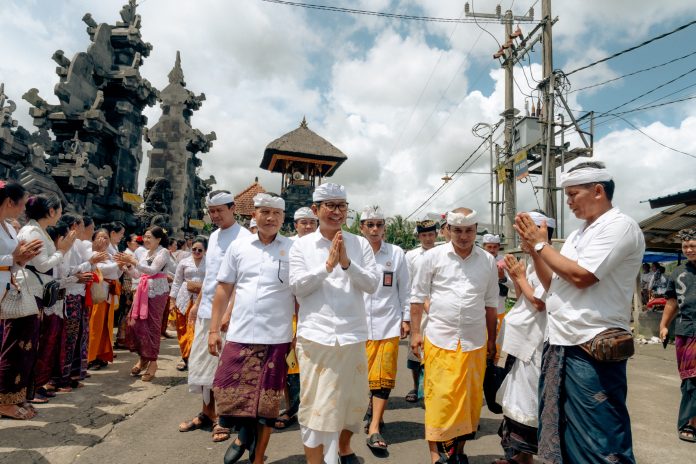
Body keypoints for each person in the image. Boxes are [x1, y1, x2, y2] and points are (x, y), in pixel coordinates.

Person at [515, 161, 644, 463]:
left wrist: (541, 245)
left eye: (573, 194)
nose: (569, 202)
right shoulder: (577, 235)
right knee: (566, 434)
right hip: (562, 343)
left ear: (598, 191)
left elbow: (582, 276)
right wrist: (535, 251)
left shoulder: (619, 226)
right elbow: (553, 284)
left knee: (601, 438)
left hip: (591, 346)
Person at [289, 183, 380, 464]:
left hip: (352, 336)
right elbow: (297, 287)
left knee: (351, 404)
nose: (337, 212)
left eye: (342, 206)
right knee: (315, 406)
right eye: (330, 206)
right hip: (316, 338)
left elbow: (372, 284)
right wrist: (326, 267)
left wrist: (347, 264)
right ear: (316, 210)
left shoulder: (360, 244)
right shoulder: (301, 245)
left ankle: (340, 452)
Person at [209, 193, 295, 464]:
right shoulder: (239, 247)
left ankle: (257, 458)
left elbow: (300, 296)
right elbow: (224, 288)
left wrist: (300, 333)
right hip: (241, 333)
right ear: (254, 215)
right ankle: (244, 434)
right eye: (265, 212)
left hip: (277, 336)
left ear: (283, 217)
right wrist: (213, 329)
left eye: (276, 213)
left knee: (268, 403)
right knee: (227, 388)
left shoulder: (293, 249)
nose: (270, 218)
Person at [410, 208, 498, 464]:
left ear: (476, 229)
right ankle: (435, 456)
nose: (463, 236)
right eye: (457, 230)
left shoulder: (487, 261)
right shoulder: (433, 257)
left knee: (469, 401)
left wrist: (492, 340)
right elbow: (417, 297)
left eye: (469, 230)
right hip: (440, 339)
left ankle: (458, 453)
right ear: (447, 230)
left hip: (474, 342)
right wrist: (415, 332)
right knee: (439, 399)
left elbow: (491, 304)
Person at [178, 190, 250, 443]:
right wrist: (197, 305)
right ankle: (207, 412)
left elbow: (242, 281)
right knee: (202, 363)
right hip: (206, 309)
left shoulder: (245, 238)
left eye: (219, 210)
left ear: (232, 208)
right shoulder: (214, 235)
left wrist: (229, 312)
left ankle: (223, 417)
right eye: (211, 211)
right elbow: (210, 277)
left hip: (230, 313)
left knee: (224, 366)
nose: (215, 215)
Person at [493, 211, 554, 464]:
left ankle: (525, 457)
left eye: (525, 233)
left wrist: (518, 276)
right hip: (523, 342)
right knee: (516, 397)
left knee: (529, 400)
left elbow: (539, 302)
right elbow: (523, 299)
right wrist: (517, 277)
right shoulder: (531, 261)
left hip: (536, 344)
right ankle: (519, 457)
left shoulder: (548, 261)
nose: (520, 239)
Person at [358, 206, 410, 452]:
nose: (375, 229)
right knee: (360, 377)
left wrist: (406, 318)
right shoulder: (354, 252)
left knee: (384, 377)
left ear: (384, 228)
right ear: (361, 228)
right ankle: (366, 409)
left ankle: (375, 427)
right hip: (357, 326)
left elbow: (405, 289)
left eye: (379, 224)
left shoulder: (396, 253)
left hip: (388, 323)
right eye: (370, 225)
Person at [17, 194, 76, 404]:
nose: (60, 215)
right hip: (30, 290)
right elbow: (42, 265)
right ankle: (23, 391)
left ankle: (30, 389)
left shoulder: (39, 231)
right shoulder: (32, 232)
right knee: (27, 343)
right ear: (51, 211)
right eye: (59, 211)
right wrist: (62, 250)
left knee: (33, 342)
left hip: (38, 290)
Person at [0, 181, 43, 420]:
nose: (24, 209)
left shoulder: (8, 227)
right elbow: (9, 257)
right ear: (9, 202)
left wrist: (22, 259)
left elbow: (15, 260)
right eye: (22, 204)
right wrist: (13, 257)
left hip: (7, 288)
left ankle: (8, 399)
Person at [274, 205, 318, 430]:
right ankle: (292, 408)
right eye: (304, 223)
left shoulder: (322, 246)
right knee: (291, 363)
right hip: (289, 313)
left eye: (312, 222)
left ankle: (312, 407)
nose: (308, 226)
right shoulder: (287, 246)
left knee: (315, 363)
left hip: (316, 313)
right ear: (295, 225)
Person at [115, 226, 171, 382]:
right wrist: (126, 266)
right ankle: (143, 357)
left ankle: (152, 362)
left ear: (158, 239)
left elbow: (152, 271)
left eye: (149, 237)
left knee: (152, 327)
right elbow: (138, 274)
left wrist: (133, 261)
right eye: (145, 236)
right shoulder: (145, 253)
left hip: (157, 293)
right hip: (142, 291)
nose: (146, 240)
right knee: (136, 325)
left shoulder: (163, 252)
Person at [660, 228, 696, 442]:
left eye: (693, 246)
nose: (689, 250)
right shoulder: (678, 273)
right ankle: (689, 423)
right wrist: (664, 325)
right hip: (686, 331)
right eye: (685, 247)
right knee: (691, 379)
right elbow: (672, 302)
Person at [403, 219, 438, 403]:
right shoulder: (411, 256)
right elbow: (407, 286)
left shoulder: (443, 253)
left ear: (436, 235)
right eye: (424, 235)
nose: (428, 238)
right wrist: (406, 318)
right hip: (418, 309)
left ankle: (431, 390)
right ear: (419, 236)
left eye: (431, 234)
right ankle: (416, 387)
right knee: (416, 352)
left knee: (436, 351)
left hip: (438, 308)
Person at [169, 237, 207, 371]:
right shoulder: (184, 262)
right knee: (182, 329)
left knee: (195, 329)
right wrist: (172, 300)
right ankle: (185, 356)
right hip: (184, 298)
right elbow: (177, 281)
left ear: (205, 250)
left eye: (200, 250)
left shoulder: (210, 263)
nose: (196, 252)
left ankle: (192, 358)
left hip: (201, 299)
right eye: (194, 249)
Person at [87, 228, 123, 370]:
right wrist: (118, 264)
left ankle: (101, 354)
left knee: (106, 326)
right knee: (95, 325)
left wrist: (121, 267)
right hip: (99, 292)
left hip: (109, 292)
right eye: (100, 237)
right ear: (94, 240)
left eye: (106, 237)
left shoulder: (109, 254)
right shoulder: (93, 254)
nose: (104, 240)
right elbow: (102, 270)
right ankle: (91, 357)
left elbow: (116, 273)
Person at [481, 233, 513, 362]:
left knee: (498, 345)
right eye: (489, 247)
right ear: (484, 247)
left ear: (499, 247)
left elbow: (514, 285)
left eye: (495, 247)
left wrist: (503, 278)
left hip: (499, 309)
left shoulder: (505, 262)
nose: (492, 250)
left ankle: (496, 369)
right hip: (480, 311)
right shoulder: (478, 261)